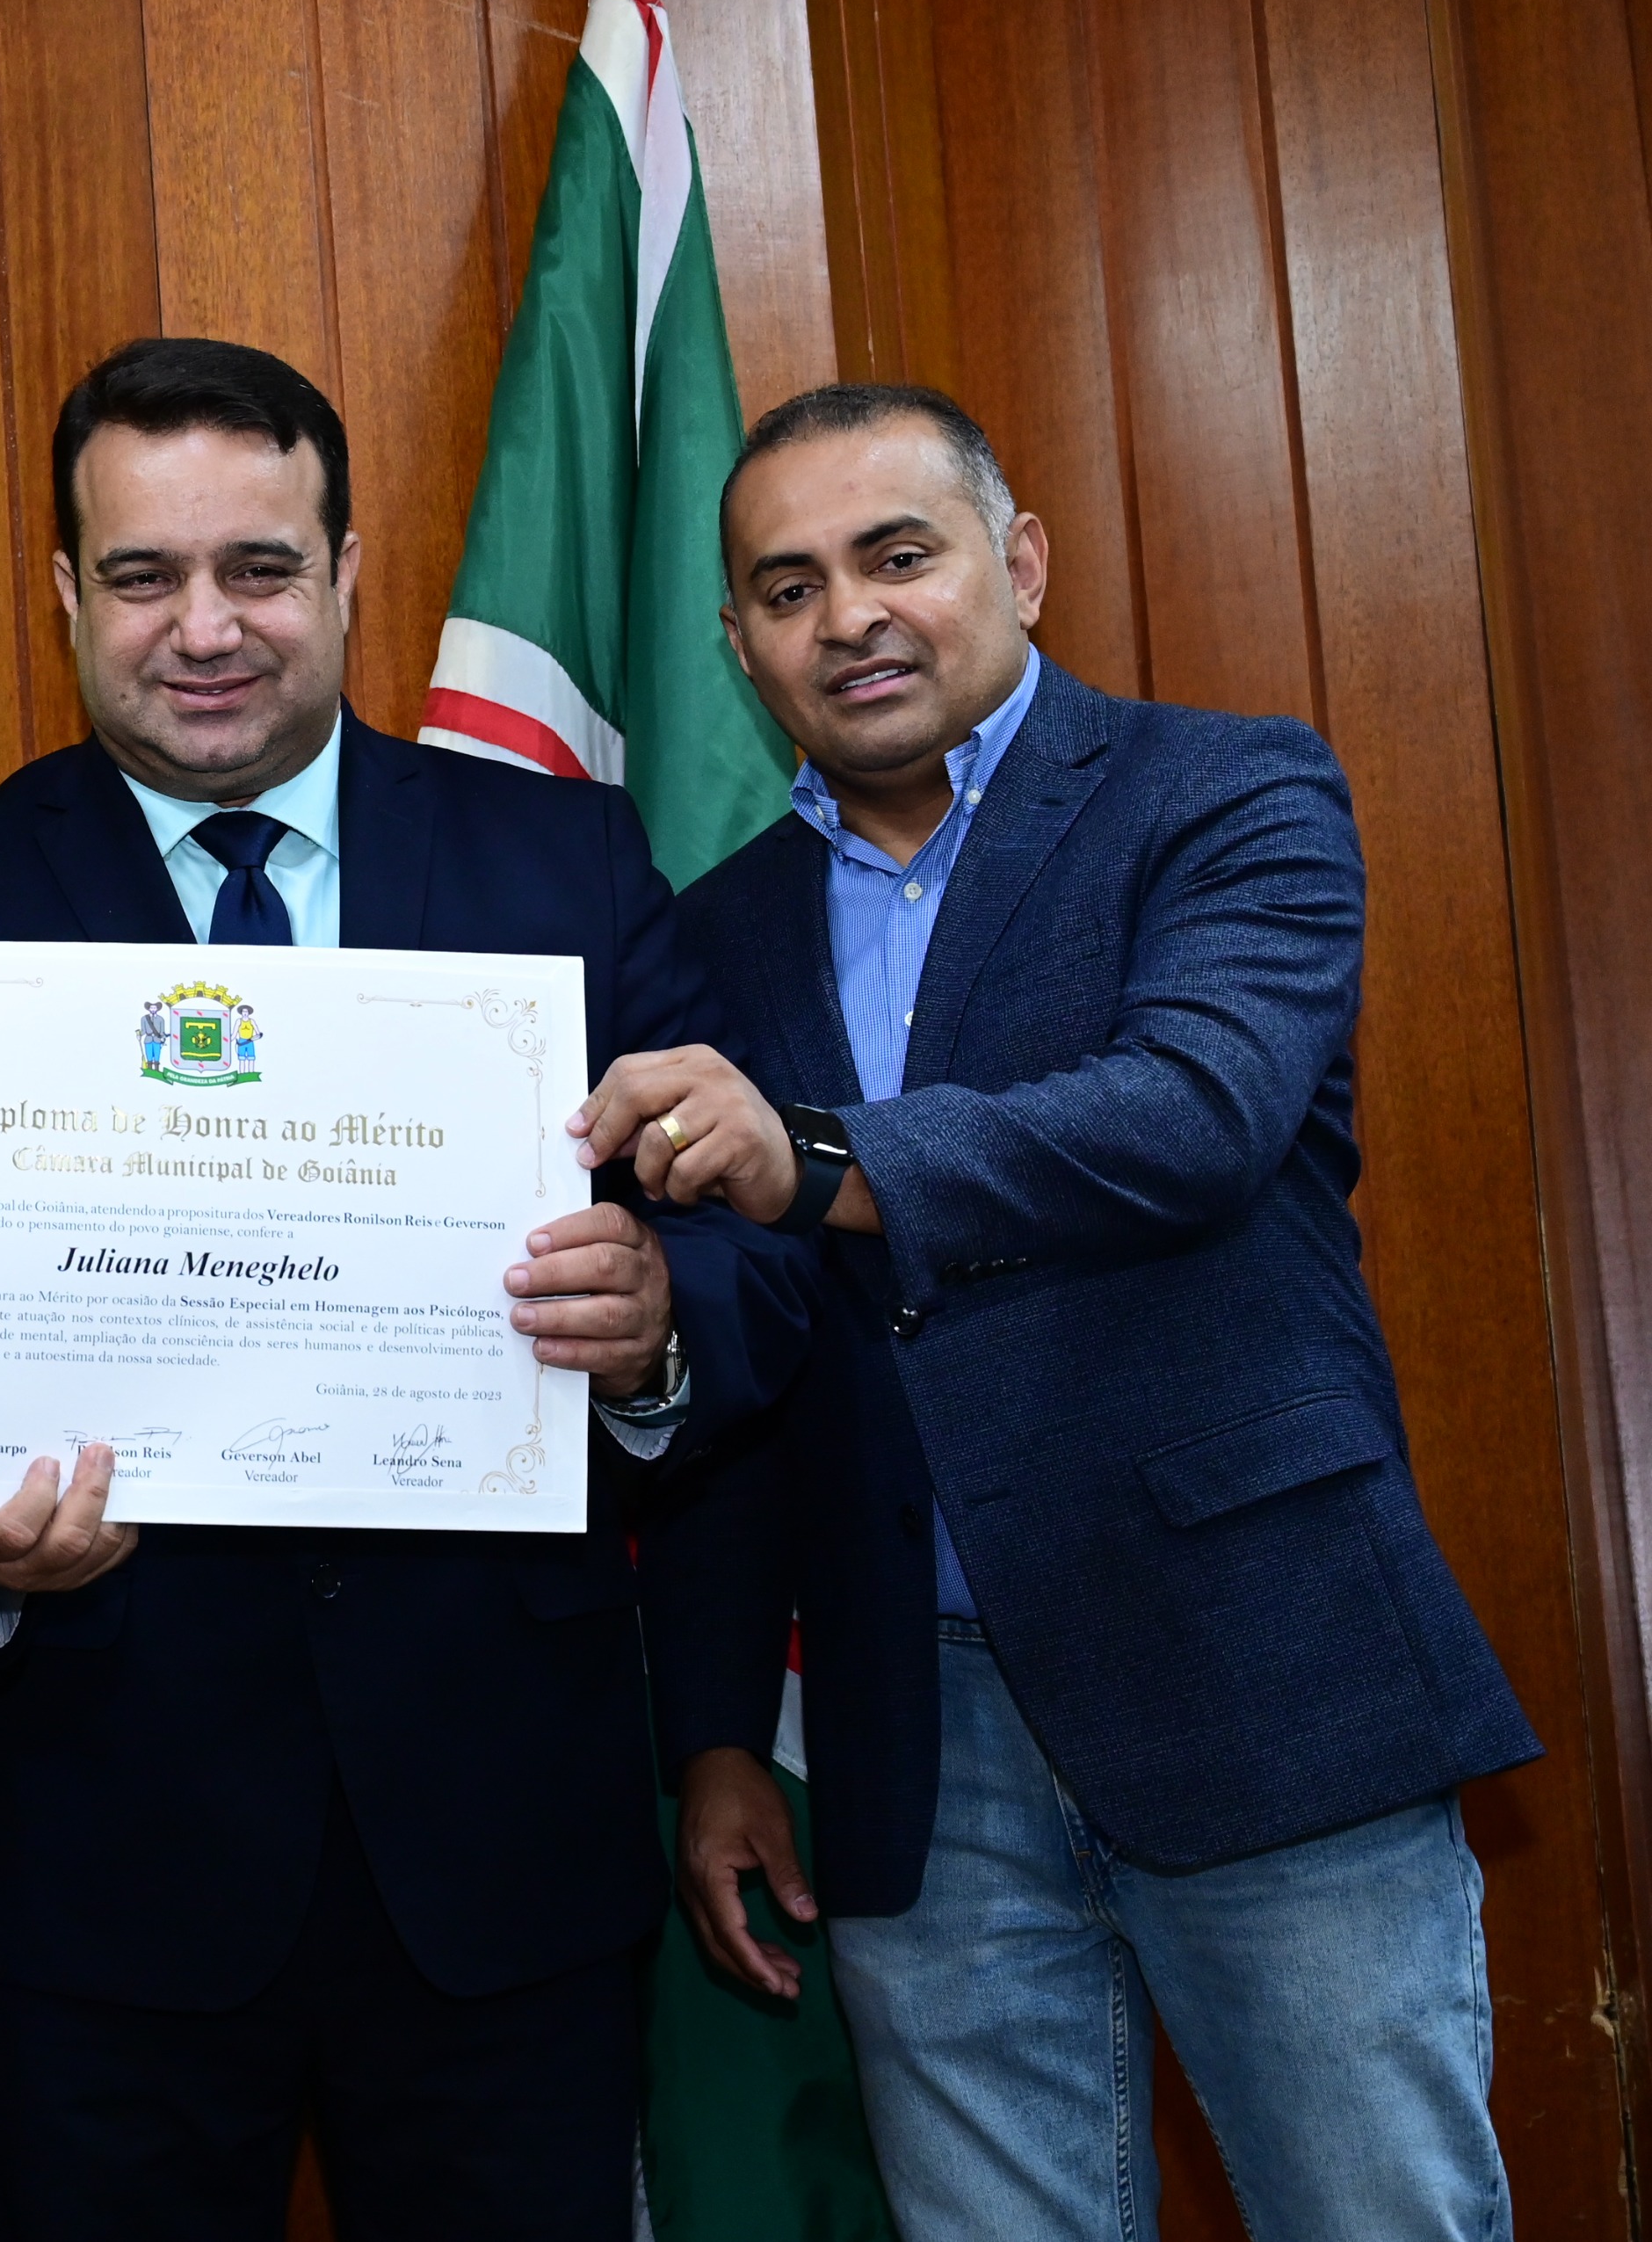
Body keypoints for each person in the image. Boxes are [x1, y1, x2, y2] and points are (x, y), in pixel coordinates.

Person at [0, 337, 814, 2241]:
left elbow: (753, 1257)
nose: (204, 628)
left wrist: (656, 1328)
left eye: (259, 569)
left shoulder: (564, 862)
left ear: (349, 572)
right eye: (143, 575)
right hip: (91, 1858)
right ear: (65, 591)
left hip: (498, 1855)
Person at [605, 381, 1537, 2240]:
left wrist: (813, 1152)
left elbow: (1193, 1117)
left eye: (897, 555)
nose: (848, 616)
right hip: (909, 1728)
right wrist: (714, 1729)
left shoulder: (1226, 793)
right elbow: (749, 1346)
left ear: (1018, 564)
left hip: (1250, 1662)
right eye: (787, 589)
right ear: (737, 645)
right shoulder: (709, 931)